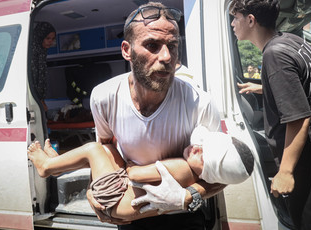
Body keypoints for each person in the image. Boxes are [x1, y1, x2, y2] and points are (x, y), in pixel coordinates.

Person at [86, 2, 226, 229]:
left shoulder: (199, 103)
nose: (166, 57)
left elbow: (223, 173)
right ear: (126, 50)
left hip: (184, 218)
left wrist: (188, 196)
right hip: (133, 215)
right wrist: (95, 190)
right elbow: (105, 149)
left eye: (172, 46)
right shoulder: (104, 97)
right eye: (152, 45)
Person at [229, 1, 311, 229]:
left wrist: (285, 172)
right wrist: (266, 86)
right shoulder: (291, 41)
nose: (233, 23)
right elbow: (302, 83)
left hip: (310, 158)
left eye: (236, 17)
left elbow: (298, 119)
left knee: (309, 224)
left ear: (251, 20)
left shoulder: (274, 54)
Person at [27, 126, 254, 222]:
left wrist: (131, 159)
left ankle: (45, 167)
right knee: (107, 151)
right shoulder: (197, 178)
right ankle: (56, 162)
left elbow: (134, 174)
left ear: (209, 171)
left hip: (115, 197)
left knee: (94, 149)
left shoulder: (181, 167)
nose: (195, 147)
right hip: (120, 204)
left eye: (202, 154)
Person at [31, 21, 56, 111]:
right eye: (48, 38)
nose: (51, 42)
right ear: (40, 37)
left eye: (53, 39)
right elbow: (33, 79)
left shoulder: (42, 52)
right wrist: (40, 100)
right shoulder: (32, 52)